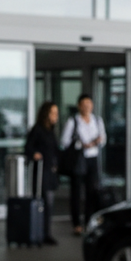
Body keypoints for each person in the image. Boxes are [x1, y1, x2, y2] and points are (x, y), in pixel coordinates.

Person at [60, 94, 106, 235]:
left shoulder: (97, 120)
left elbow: (103, 139)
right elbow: (64, 142)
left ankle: (88, 222)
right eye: (84, 104)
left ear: (92, 105)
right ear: (79, 106)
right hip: (78, 159)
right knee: (76, 192)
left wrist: (97, 141)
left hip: (93, 159)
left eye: (89, 104)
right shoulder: (73, 121)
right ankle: (76, 223)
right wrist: (81, 144)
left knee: (91, 192)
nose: (87, 107)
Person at [24, 100, 60, 246]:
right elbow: (28, 148)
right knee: (44, 202)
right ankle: (40, 233)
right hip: (40, 174)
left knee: (49, 203)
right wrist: (35, 154)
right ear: (46, 114)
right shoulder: (37, 129)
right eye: (53, 113)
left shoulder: (51, 130)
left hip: (49, 172)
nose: (56, 116)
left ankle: (45, 233)